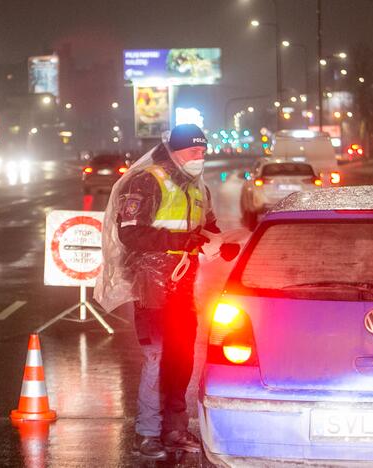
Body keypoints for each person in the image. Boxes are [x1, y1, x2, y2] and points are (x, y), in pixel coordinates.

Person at [103, 124, 236, 460]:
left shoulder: (197, 186)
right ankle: (147, 434)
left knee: (182, 357)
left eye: (203, 152)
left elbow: (207, 225)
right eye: (194, 152)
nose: (199, 158)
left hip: (182, 284)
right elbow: (131, 233)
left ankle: (174, 430)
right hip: (150, 286)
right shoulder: (146, 181)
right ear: (176, 152)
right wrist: (178, 241)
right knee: (156, 357)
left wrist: (223, 241)